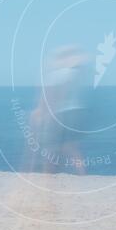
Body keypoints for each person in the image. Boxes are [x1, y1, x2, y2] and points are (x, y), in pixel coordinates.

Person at [28, 46, 90, 174]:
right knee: (70, 147)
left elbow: (49, 96)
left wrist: (40, 111)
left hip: (61, 113)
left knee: (51, 147)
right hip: (75, 112)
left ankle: (49, 175)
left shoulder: (55, 75)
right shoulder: (73, 73)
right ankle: (82, 174)